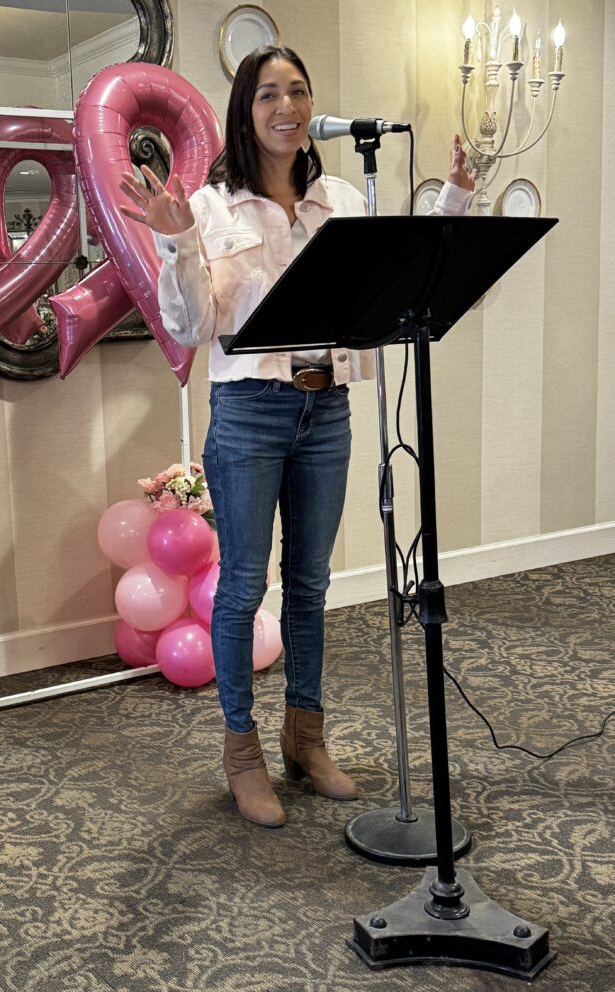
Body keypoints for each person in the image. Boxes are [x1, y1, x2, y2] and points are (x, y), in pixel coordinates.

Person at [120, 45, 475, 828]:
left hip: (328, 411)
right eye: (268, 94)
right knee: (245, 587)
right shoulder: (207, 209)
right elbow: (190, 326)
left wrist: (456, 195)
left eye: (299, 91)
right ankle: (241, 751)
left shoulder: (342, 201)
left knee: (311, 585)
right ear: (244, 112)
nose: (287, 106)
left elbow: (402, 272)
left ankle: (305, 739)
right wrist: (175, 241)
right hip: (248, 412)